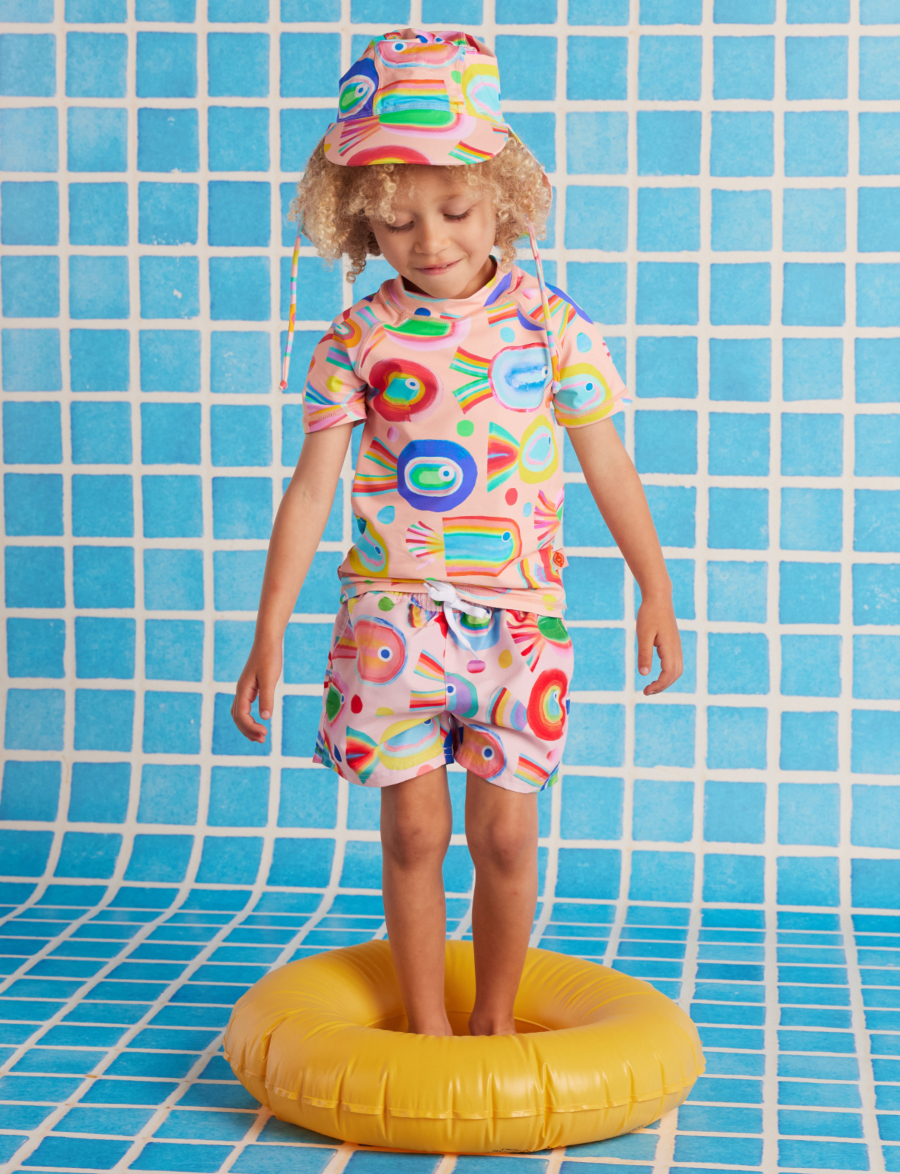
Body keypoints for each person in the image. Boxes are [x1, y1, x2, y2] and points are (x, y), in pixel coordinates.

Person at [232, 29, 682, 1039]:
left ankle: (495, 1021)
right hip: (391, 622)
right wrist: (267, 631)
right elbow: (310, 492)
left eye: (455, 210)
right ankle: (431, 1027)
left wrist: (655, 588)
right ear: (361, 222)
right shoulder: (358, 338)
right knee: (412, 830)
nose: (429, 240)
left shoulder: (552, 327)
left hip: (518, 627)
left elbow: (609, 463)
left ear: (503, 198)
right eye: (396, 222)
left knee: (507, 837)